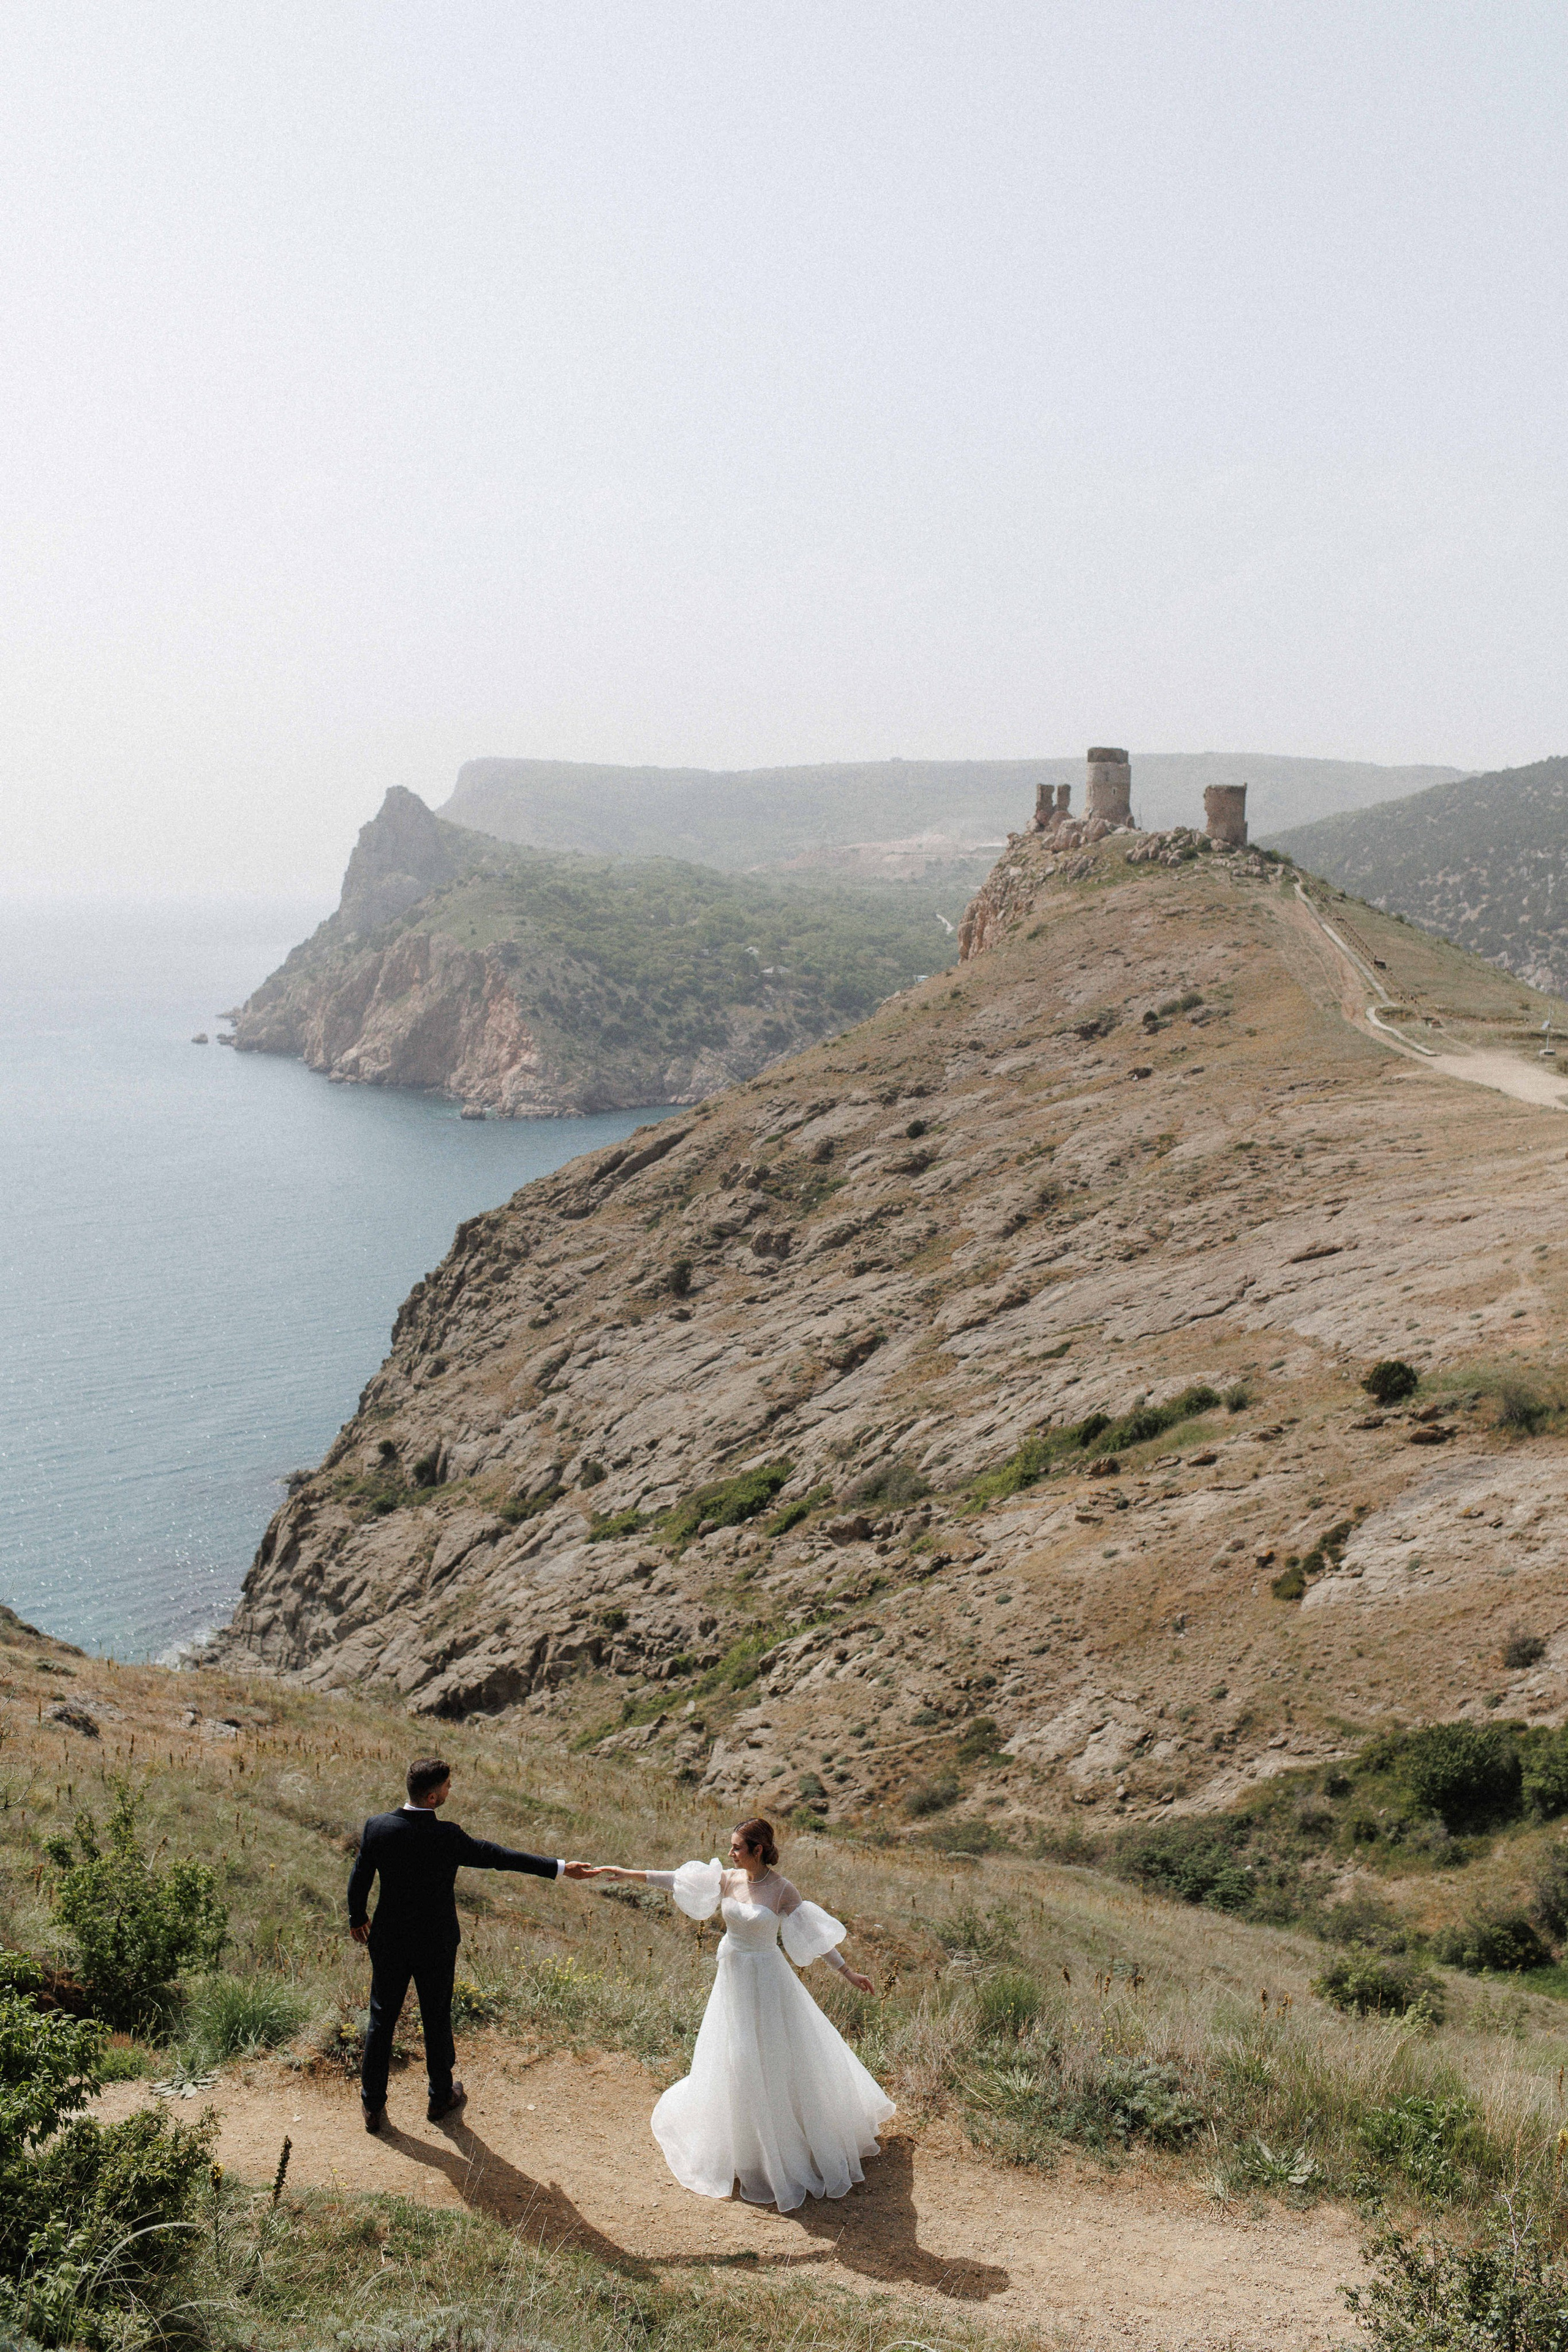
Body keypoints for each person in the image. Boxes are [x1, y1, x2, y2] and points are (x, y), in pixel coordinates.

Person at [586, 1817, 893, 2211]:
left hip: (767, 1981)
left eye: (736, 1847)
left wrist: (848, 1972)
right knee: (735, 2056)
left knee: (773, 2056)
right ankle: (743, 2147)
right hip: (733, 1978)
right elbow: (676, 1880)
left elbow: (813, 1936)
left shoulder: (782, 1890)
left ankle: (786, 2145)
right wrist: (628, 1874)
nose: (730, 1853)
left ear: (758, 1850)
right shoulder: (728, 1879)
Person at [348, 1755, 591, 2133]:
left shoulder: (377, 1827)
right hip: (436, 1943)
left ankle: (372, 2105)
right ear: (432, 1797)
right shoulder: (447, 1836)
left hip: (390, 1941)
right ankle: (439, 2097)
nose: (451, 1790)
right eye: (447, 1786)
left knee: (381, 2018)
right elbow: (498, 1857)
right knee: (436, 2016)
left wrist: (357, 1916)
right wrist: (559, 1867)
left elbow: (360, 1875)